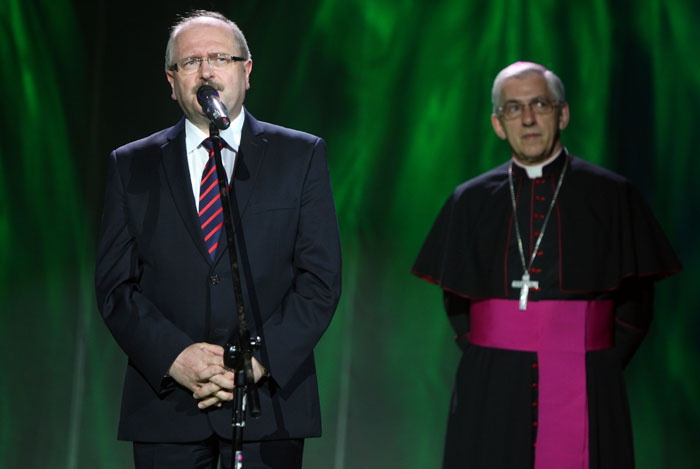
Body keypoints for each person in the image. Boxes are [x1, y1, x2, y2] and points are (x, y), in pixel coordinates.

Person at [94, 10, 341, 469]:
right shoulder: (132, 165)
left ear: (246, 71)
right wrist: (176, 357)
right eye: (190, 63)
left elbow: (320, 279)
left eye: (220, 58)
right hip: (167, 404)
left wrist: (257, 361)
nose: (206, 71)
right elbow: (115, 287)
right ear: (172, 81)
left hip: (268, 405)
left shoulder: (300, 155)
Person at [411, 61, 681, 469]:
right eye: (514, 108)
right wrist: (497, 357)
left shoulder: (612, 195)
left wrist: (593, 361)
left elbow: (636, 305)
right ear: (498, 124)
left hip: (588, 378)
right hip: (492, 383)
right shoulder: (470, 200)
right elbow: (457, 302)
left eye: (540, 103)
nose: (529, 118)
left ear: (563, 113)